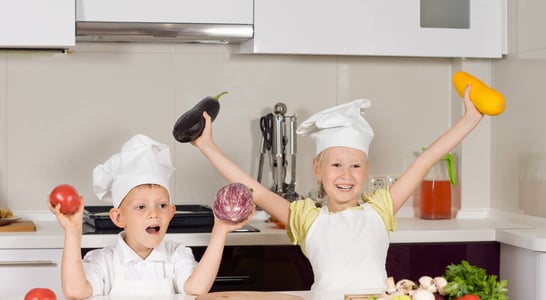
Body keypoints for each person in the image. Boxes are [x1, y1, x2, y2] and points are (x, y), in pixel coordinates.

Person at [192, 85, 483, 294]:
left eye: (356, 166)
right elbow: (255, 189)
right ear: (317, 169)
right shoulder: (306, 219)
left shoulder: (380, 209)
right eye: (336, 166)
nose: (346, 175)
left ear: (366, 170)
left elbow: (425, 160)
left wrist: (469, 119)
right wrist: (207, 145)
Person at [49, 134, 254, 299]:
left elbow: (197, 289)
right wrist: (73, 231)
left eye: (162, 205)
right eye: (140, 207)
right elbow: (75, 292)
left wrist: (220, 230)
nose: (154, 214)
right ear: (119, 217)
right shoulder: (103, 261)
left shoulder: (177, 255)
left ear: (171, 213)